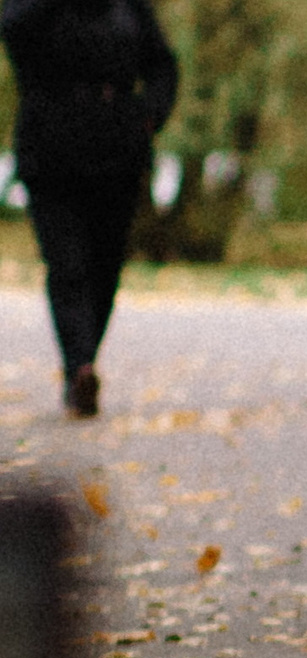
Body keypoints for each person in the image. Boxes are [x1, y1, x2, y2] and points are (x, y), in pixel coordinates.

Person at [1, 0, 177, 419]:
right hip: (51, 148)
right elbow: (12, 30)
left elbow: (163, 65)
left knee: (105, 264)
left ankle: (83, 361)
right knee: (67, 263)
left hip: (118, 149)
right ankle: (79, 365)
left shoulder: (129, 7)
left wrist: (150, 114)